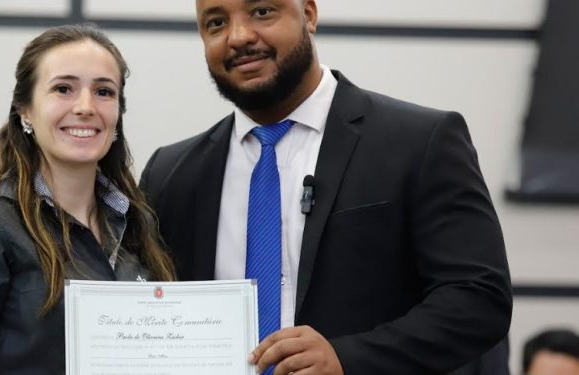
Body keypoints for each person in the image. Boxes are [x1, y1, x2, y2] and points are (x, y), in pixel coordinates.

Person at [140, 0, 512, 374]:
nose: (238, 36)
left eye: (262, 12)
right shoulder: (170, 174)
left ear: (309, 14)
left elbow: (479, 300)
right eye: (216, 22)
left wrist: (347, 359)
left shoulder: (419, 142)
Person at [0, 24, 175, 375]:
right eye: (63, 89)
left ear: (117, 114)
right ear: (25, 111)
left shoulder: (138, 222)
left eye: (103, 91)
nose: (85, 107)